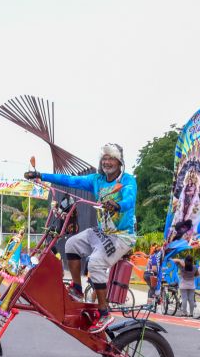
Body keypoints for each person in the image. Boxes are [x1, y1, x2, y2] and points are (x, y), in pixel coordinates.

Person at [25, 142, 137, 333]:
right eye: (105, 158)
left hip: (122, 236)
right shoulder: (96, 180)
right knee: (71, 244)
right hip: (103, 232)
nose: (107, 162)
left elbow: (129, 198)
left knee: (95, 263)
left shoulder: (127, 180)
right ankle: (77, 288)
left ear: (119, 162)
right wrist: (41, 175)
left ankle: (104, 313)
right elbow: (70, 180)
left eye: (111, 158)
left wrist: (118, 205)